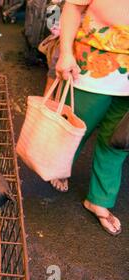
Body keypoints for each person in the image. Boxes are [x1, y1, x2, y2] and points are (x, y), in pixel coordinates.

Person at [55, 0, 129, 235]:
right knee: (75, 127)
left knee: (118, 141)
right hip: (91, 67)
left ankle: (99, 199)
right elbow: (73, 7)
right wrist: (65, 53)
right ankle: (60, 168)